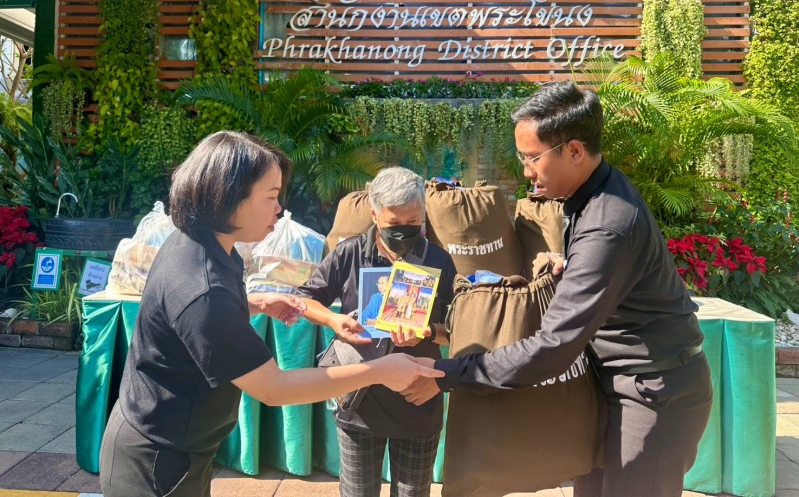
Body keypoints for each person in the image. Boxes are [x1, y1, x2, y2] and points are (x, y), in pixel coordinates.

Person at [403, 82, 713, 497]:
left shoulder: (607, 225)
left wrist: (447, 374)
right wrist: (571, 267)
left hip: (652, 391)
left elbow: (553, 347)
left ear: (574, 150)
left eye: (532, 158)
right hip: (616, 383)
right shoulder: (593, 193)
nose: (526, 171)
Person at [99, 132, 443, 497]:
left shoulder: (205, 245)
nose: (279, 208)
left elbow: (188, 315)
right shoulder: (203, 289)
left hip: (178, 445)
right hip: (156, 459)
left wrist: (256, 303)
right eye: (271, 196)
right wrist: (380, 371)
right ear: (229, 197)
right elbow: (274, 388)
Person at [296, 167, 457, 497]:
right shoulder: (350, 253)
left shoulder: (438, 260)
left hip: (417, 398)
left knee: (413, 492)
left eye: (413, 222)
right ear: (374, 214)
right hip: (359, 399)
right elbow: (304, 300)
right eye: (394, 223)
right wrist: (334, 321)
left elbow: (457, 330)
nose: (404, 231)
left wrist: (427, 332)